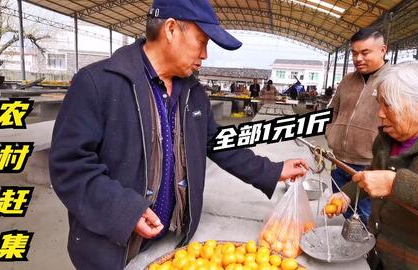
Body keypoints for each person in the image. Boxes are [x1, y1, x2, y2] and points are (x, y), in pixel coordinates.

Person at [49, 1, 309, 269]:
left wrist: (273, 170)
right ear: (171, 29)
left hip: (172, 241)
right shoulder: (97, 83)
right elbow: (70, 167)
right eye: (202, 41)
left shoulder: (192, 92)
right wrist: (125, 211)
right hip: (113, 249)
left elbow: (216, 143)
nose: (205, 54)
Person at [327, 61, 418, 269]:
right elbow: (375, 174)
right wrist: (347, 193)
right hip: (382, 255)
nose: (381, 114)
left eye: (389, 105)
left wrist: (396, 184)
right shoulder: (387, 139)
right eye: (380, 104)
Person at [326, 27, 389, 224]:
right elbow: (332, 111)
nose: (358, 59)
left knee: (365, 216)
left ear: (383, 50)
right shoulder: (347, 80)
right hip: (339, 161)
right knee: (342, 210)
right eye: (354, 53)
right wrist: (330, 134)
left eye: (365, 52)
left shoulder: (393, 81)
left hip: (369, 164)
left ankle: (368, 252)